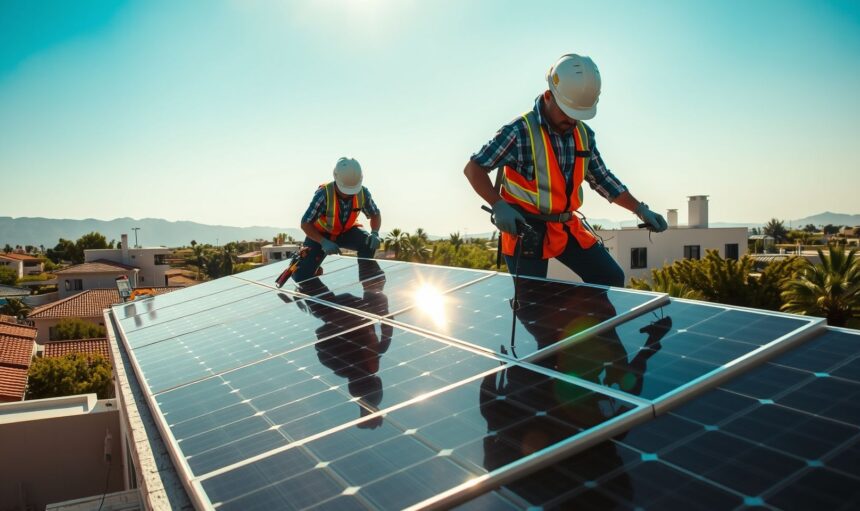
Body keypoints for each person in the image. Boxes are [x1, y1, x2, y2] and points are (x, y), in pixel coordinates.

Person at [464, 53, 668, 287]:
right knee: (533, 303)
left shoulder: (583, 135)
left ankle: (589, 324)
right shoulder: (520, 131)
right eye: (567, 113)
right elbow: (474, 168)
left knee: (609, 278)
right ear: (549, 96)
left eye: (577, 115)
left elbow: (602, 179)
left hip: (565, 226)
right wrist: (497, 204)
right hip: (525, 229)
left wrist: (640, 209)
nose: (572, 121)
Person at [291, 157, 383, 283]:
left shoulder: (363, 193)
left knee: (368, 242)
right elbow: (305, 223)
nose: (349, 194)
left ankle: (369, 285)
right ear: (336, 178)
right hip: (321, 234)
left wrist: (375, 233)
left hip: (348, 232)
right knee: (301, 276)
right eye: (346, 190)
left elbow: (375, 214)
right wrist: (323, 242)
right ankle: (307, 266)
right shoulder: (324, 194)